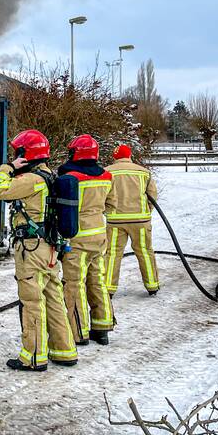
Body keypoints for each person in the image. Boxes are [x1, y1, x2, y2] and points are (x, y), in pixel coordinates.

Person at [0, 129, 77, 372]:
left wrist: (8, 167)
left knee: (32, 301)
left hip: (32, 248)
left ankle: (34, 357)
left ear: (25, 154)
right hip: (49, 248)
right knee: (54, 298)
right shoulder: (50, 177)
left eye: (17, 153)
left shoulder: (32, 180)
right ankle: (64, 350)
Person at [57, 135, 115, 346]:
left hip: (77, 238)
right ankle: (103, 327)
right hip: (99, 236)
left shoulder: (70, 178)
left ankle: (79, 332)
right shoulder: (107, 176)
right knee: (97, 281)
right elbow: (111, 206)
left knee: (74, 285)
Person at [104, 144, 160, 296]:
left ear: (115, 157)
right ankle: (152, 286)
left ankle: (108, 288)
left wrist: (107, 211)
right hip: (140, 221)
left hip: (115, 221)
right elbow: (152, 195)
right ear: (129, 156)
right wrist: (146, 211)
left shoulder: (107, 172)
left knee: (112, 253)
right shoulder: (144, 172)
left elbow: (102, 195)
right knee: (145, 251)